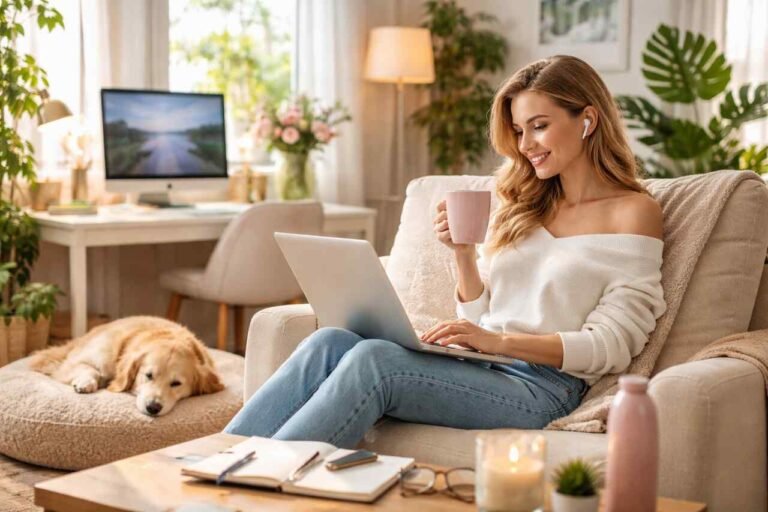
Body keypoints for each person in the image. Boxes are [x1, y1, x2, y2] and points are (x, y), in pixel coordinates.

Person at [224, 55, 667, 448]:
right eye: (518, 130)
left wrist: (498, 341)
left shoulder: (632, 213)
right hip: (484, 364)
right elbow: (480, 320)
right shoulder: (527, 203)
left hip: (545, 388)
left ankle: (256, 485)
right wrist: (461, 253)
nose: (526, 144)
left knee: (373, 362)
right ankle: (215, 463)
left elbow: (612, 346)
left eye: (539, 125)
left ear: (587, 119)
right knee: (330, 341)